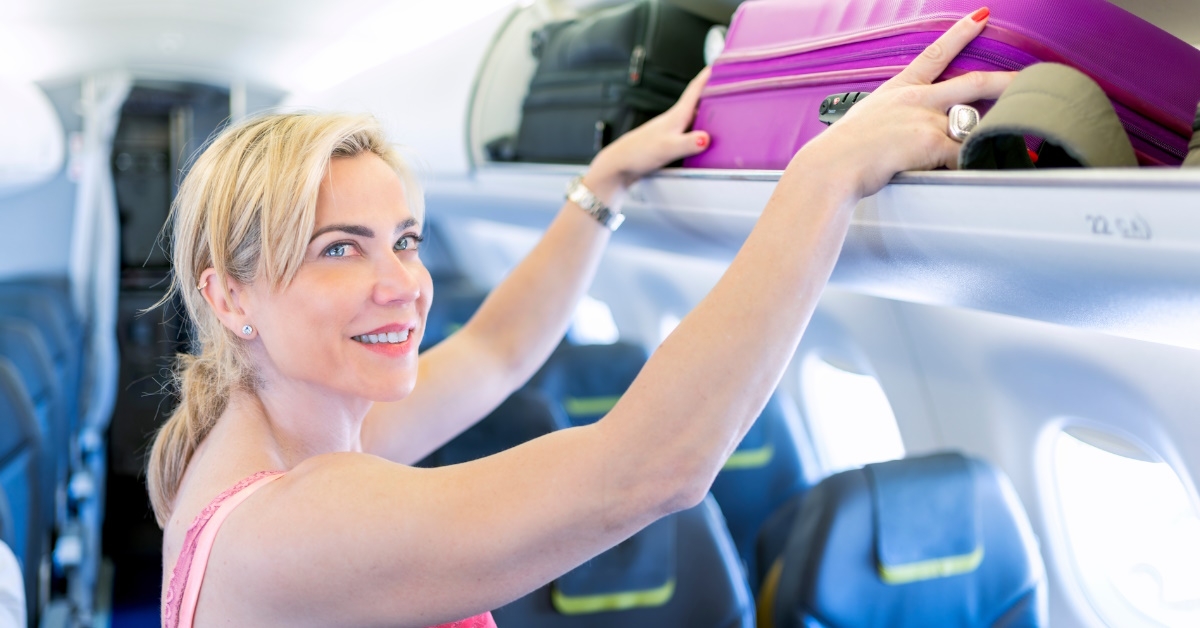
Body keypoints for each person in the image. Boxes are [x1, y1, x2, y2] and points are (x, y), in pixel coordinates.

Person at [149, 9, 1012, 627]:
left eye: (405, 240)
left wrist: (601, 189)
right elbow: (647, 472)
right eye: (339, 249)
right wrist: (823, 178)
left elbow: (496, 349)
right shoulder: (296, 525)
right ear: (228, 297)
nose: (402, 284)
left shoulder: (292, 428)